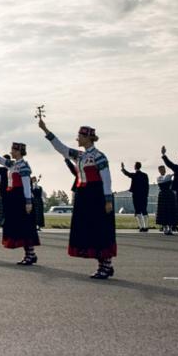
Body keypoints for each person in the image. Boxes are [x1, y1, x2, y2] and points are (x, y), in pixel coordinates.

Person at [41, 118, 117, 279]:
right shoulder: (80, 156)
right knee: (88, 229)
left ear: (88, 138)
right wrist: (46, 131)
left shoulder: (99, 156)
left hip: (96, 195)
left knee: (100, 229)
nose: (78, 139)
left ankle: (106, 264)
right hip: (84, 195)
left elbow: (107, 179)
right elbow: (61, 148)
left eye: (80, 136)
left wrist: (108, 199)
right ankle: (102, 264)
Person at [0, 138, 38, 265]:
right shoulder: (12, 164)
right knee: (18, 226)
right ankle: (29, 254)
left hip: (20, 198)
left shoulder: (23, 166)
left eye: (13, 150)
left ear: (19, 151)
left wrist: (28, 202)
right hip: (13, 198)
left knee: (25, 226)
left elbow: (27, 185)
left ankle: (30, 254)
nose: (11, 152)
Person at [121, 161, 151, 232]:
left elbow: (127, 173)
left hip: (136, 195)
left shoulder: (134, 175)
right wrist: (146, 195)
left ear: (135, 167)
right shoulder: (145, 175)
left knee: (137, 211)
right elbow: (147, 186)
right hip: (143, 195)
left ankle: (141, 227)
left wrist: (123, 168)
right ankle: (146, 226)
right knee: (144, 211)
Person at [154, 164, 178, 235]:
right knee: (163, 212)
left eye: (163, 169)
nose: (163, 170)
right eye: (161, 169)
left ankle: (170, 228)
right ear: (159, 171)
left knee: (170, 211)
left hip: (170, 195)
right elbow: (165, 178)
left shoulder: (168, 176)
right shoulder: (159, 178)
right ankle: (164, 227)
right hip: (163, 195)